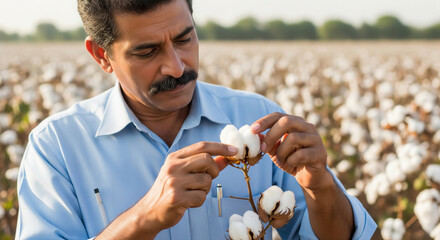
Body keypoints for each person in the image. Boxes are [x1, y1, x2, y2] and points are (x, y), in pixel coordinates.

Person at [15, 0, 376, 239]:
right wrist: (146, 216)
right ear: (101, 55)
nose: (177, 66)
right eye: (147, 50)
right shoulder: (58, 147)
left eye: (185, 38)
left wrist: (321, 187)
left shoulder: (257, 119)